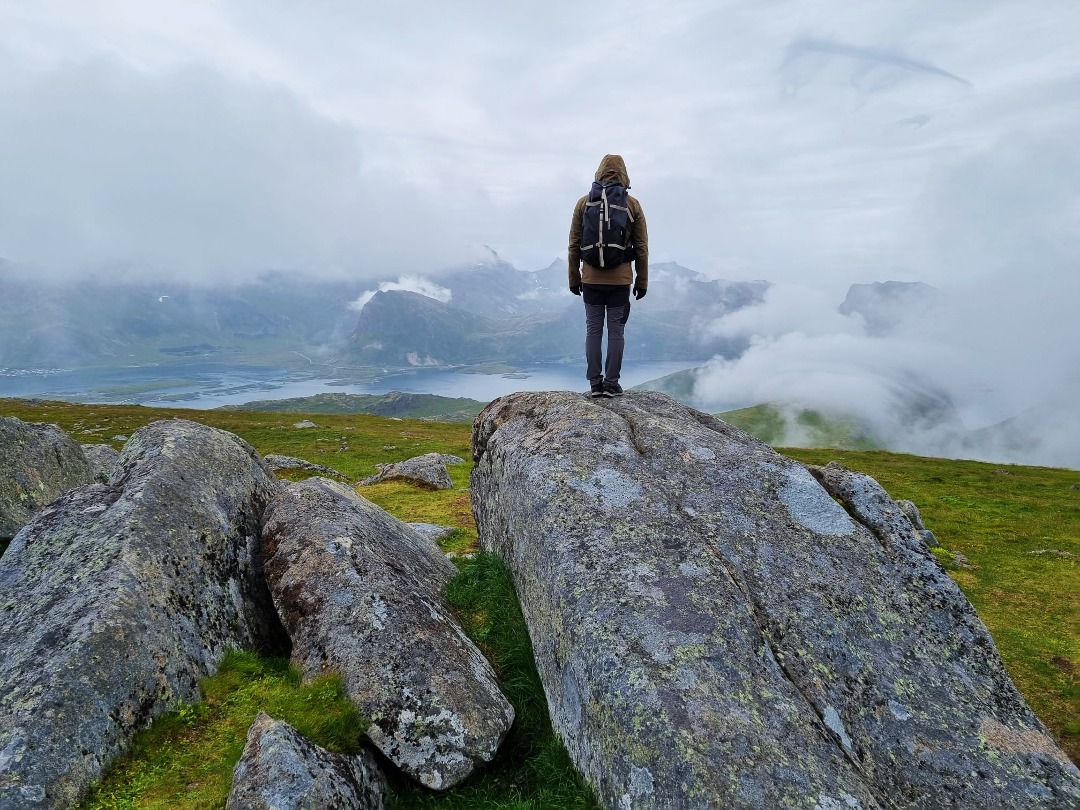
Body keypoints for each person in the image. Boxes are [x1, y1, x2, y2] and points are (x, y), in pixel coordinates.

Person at [567, 154, 648, 397]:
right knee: (616, 332)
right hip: (620, 282)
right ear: (624, 174)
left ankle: (595, 384)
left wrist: (574, 278)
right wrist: (642, 282)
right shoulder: (632, 204)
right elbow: (641, 247)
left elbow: (573, 245)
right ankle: (612, 384)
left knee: (593, 331)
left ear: (599, 172)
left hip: (591, 280)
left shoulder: (584, 203)